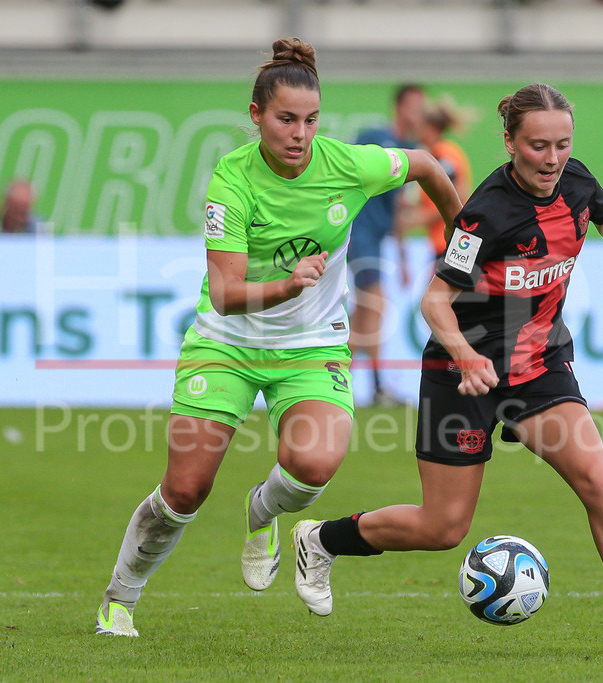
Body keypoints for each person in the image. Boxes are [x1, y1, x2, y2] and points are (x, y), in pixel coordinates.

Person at [290, 84, 603, 657]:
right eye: (538, 146)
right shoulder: (484, 215)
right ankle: (321, 539)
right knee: (442, 528)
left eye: (562, 144)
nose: (552, 159)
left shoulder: (578, 182)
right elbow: (434, 302)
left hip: (540, 366)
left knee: (597, 480)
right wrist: (466, 354)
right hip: (462, 373)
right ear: (509, 143)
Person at [94, 38, 462, 638]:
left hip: (312, 345)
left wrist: (460, 246)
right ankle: (120, 597)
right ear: (256, 115)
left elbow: (424, 164)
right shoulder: (232, 179)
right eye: (286, 119)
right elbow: (225, 292)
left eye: (311, 120)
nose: (300, 134)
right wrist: (289, 286)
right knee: (186, 489)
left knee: (315, 464)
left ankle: (261, 510)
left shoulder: (346, 165)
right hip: (227, 342)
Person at [347, 83, 426, 406]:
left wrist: (403, 257)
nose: (419, 113)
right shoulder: (374, 138)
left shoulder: (410, 148)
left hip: (377, 241)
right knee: (375, 306)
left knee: (364, 314)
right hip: (358, 234)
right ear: (400, 107)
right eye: (415, 107)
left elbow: (397, 208)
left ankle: (332, 379)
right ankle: (377, 387)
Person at [407, 96, 473, 259]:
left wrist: (417, 220)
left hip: (450, 243)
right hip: (445, 243)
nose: (416, 130)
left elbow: (456, 195)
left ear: (432, 128)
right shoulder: (439, 153)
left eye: (420, 125)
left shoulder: (442, 154)